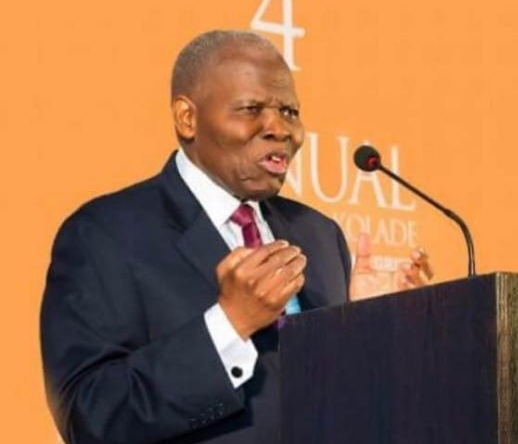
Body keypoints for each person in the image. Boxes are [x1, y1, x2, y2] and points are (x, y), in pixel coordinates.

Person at [40, 30, 433, 444]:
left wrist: (370, 328)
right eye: (251, 109)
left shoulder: (319, 235)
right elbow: (89, 416)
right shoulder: (104, 234)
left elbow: (340, 400)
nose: (280, 128)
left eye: (290, 111)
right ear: (187, 118)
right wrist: (229, 324)